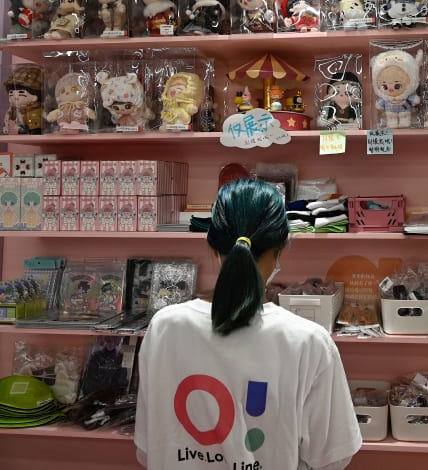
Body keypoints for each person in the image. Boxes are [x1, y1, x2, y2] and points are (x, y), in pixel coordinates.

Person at [135, 178, 362, 470]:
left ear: (212, 246)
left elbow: (147, 447)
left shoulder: (164, 327)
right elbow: (333, 457)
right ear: (282, 247)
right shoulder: (308, 341)